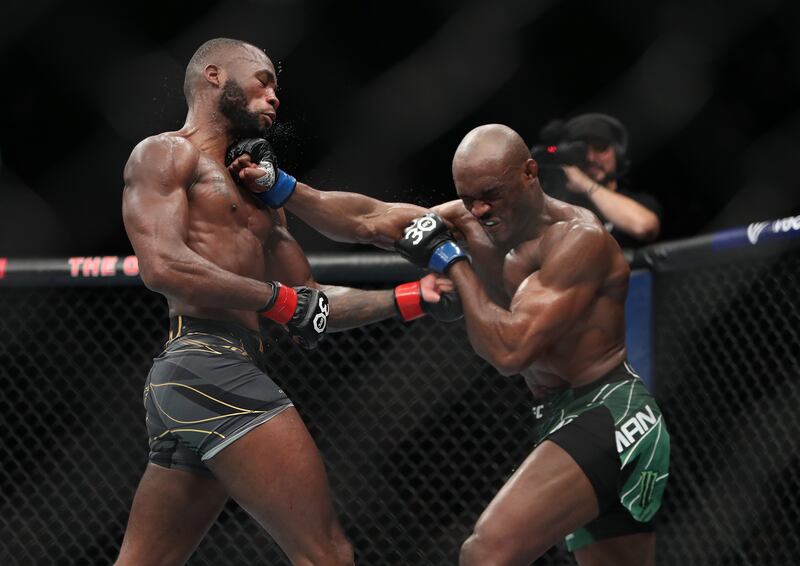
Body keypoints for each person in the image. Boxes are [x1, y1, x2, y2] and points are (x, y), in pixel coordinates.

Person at [227, 123, 670, 565]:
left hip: (610, 413)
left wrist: (452, 262)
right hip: (554, 413)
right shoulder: (466, 220)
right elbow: (369, 219)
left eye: (491, 194)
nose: (479, 209)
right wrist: (281, 186)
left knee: (486, 553)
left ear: (530, 173)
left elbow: (510, 351)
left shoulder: (579, 240)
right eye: (468, 196)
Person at [115, 37, 459, 566]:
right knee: (327, 554)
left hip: (201, 381)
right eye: (263, 80)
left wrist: (408, 298)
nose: (275, 95)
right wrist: (273, 299)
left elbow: (311, 306)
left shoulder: (264, 200)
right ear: (214, 76)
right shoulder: (165, 153)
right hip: (207, 365)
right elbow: (163, 267)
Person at [557, 113, 662, 248]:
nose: (590, 158)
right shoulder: (564, 207)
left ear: (617, 154)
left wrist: (585, 184)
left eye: (600, 147)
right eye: (581, 151)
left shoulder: (639, 202)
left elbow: (644, 227)